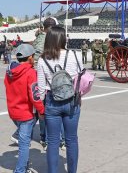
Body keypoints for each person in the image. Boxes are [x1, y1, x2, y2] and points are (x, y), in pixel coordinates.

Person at [37, 26, 83, 173]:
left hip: (52, 101)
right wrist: (79, 96)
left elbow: (41, 88)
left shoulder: (43, 59)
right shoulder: (74, 55)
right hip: (71, 101)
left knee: (52, 142)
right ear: (63, 38)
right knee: (71, 140)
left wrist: (41, 109)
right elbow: (80, 80)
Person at [4, 44, 45, 173]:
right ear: (30, 57)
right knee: (24, 145)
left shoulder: (9, 71)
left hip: (13, 111)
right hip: (26, 113)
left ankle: (25, 167)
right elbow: (35, 96)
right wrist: (42, 111)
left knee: (24, 141)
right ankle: (20, 170)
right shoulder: (31, 73)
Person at [32, 16, 58, 150]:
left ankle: (44, 137)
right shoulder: (51, 39)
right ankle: (46, 138)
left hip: (36, 73)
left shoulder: (38, 38)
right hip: (46, 75)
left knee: (40, 108)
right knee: (45, 108)